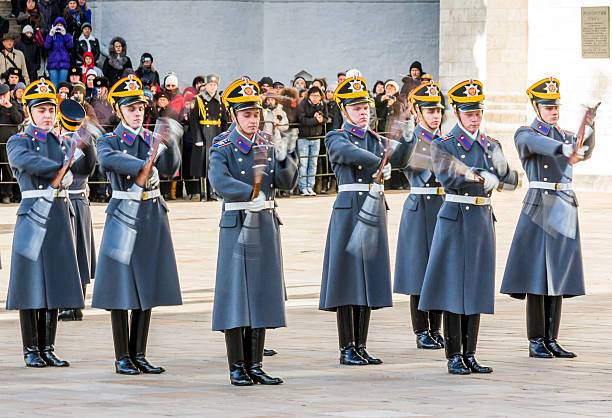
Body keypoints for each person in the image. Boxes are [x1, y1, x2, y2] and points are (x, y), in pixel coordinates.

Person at [418, 79, 519, 375]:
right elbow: (448, 178)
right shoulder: (443, 145)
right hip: (455, 219)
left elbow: (511, 180)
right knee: (453, 287)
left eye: (478, 113)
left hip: (481, 221)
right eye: (469, 113)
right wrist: (478, 177)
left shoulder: (491, 145)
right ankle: (453, 355)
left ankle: (470, 353)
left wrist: (498, 177)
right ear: (458, 113)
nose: (475, 119)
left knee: (475, 287)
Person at [319, 76, 416, 366]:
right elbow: (349, 154)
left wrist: (409, 127)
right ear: (344, 110)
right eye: (356, 107)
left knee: (366, 279)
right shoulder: (337, 136)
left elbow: (402, 158)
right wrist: (380, 161)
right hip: (350, 210)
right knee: (348, 278)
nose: (363, 112)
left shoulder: (375, 139)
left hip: (373, 210)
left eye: (365, 107)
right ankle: (346, 346)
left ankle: (360, 345)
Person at [208, 77, 298, 385]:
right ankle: (237, 367)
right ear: (233, 115)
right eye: (246, 114)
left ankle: (256, 364)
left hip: (264, 225)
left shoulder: (266, 143)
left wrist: (286, 156)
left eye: (256, 114)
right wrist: (252, 194)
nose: (253, 119)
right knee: (237, 295)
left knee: (261, 294)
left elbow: (287, 183)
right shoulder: (223, 146)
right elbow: (219, 182)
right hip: (237, 225)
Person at [92, 74, 182, 375]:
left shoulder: (149, 138)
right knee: (121, 288)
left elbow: (171, 168)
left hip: (152, 213)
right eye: (131, 108)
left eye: (141, 107)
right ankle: (122, 355)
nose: (138, 112)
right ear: (118, 110)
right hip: (125, 212)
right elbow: (107, 160)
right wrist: (144, 166)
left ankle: (139, 353)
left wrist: (171, 142)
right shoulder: (110, 139)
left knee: (147, 284)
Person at [500, 77, 594, 359]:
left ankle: (552, 338)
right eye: (547, 107)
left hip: (563, 205)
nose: (553, 111)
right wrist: (564, 147)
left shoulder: (565, 134)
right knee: (537, 277)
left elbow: (584, 152)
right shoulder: (525, 133)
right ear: (536, 106)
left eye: (556, 107)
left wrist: (590, 129)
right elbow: (539, 144)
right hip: (539, 205)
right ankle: (536, 340)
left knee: (558, 274)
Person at [6, 78, 84, 367]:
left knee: (55, 280)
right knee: (30, 283)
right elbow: (25, 162)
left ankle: (48, 347)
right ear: (29, 112)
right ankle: (31, 350)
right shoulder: (18, 140)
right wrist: (60, 168)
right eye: (41, 110)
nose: (48, 115)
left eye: (51, 109)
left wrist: (83, 136)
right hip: (32, 213)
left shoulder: (63, 140)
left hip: (58, 216)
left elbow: (87, 166)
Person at [393, 80, 445, 349]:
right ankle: (421, 330)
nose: (435, 116)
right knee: (418, 269)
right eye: (430, 111)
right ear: (419, 112)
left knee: (438, 269)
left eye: (438, 111)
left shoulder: (446, 139)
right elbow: (407, 165)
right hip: (420, 204)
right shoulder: (412, 137)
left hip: (442, 206)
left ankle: (436, 328)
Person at [55, 98, 97, 321]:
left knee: (79, 252)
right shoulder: (55, 139)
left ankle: (76, 302)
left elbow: (89, 167)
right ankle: (65, 302)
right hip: (61, 200)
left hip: (76, 198)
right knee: (64, 253)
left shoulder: (83, 140)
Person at [187, 74, 229, 200]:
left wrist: (224, 137)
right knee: (202, 165)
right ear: (205, 85)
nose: (212, 87)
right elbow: (193, 121)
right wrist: (197, 138)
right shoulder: (198, 99)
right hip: (204, 132)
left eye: (215, 85)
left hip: (216, 133)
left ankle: (213, 192)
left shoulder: (221, 100)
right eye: (210, 85)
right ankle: (203, 193)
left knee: (214, 164)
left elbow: (224, 121)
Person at [296, 86, 325, 196]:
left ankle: (310, 186)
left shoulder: (322, 105)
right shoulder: (303, 104)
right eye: (313, 95)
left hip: (316, 138)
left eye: (317, 96)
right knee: (303, 163)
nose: (315, 98)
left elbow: (326, 117)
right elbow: (302, 120)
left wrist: (321, 120)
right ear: (309, 96)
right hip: (303, 138)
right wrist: (315, 120)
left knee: (313, 163)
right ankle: (303, 187)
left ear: (320, 97)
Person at [0, 83, 25, 204]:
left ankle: (6, 194)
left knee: (7, 169)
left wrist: (9, 107)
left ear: (9, 94)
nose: (2, 97)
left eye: (4, 95)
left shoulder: (14, 106)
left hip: (8, 144)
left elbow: (19, 119)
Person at [44, 17, 73, 88]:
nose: (59, 27)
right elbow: (46, 46)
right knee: (54, 85)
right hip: (53, 63)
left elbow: (70, 46)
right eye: (57, 25)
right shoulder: (51, 35)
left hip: (64, 63)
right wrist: (50, 35)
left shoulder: (67, 35)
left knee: (62, 85)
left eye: (61, 25)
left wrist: (65, 35)